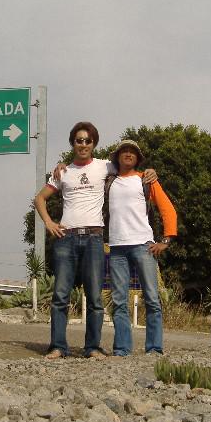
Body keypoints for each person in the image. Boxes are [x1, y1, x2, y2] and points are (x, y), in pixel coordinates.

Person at [34, 123, 156, 359]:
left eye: (87, 141)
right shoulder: (63, 172)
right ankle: (58, 346)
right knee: (60, 296)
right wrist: (49, 223)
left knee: (95, 297)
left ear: (94, 144)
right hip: (66, 238)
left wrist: (150, 171)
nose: (83, 144)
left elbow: (128, 166)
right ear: (73, 143)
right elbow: (40, 199)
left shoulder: (104, 166)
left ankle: (92, 347)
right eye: (79, 140)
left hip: (93, 237)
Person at [106, 140, 177, 356]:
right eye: (124, 151)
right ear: (117, 156)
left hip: (143, 245)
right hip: (117, 248)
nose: (128, 154)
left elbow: (168, 210)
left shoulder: (146, 180)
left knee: (152, 298)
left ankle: (154, 348)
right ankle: (122, 349)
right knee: (119, 301)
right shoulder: (109, 180)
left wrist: (166, 241)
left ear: (137, 158)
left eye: (132, 152)